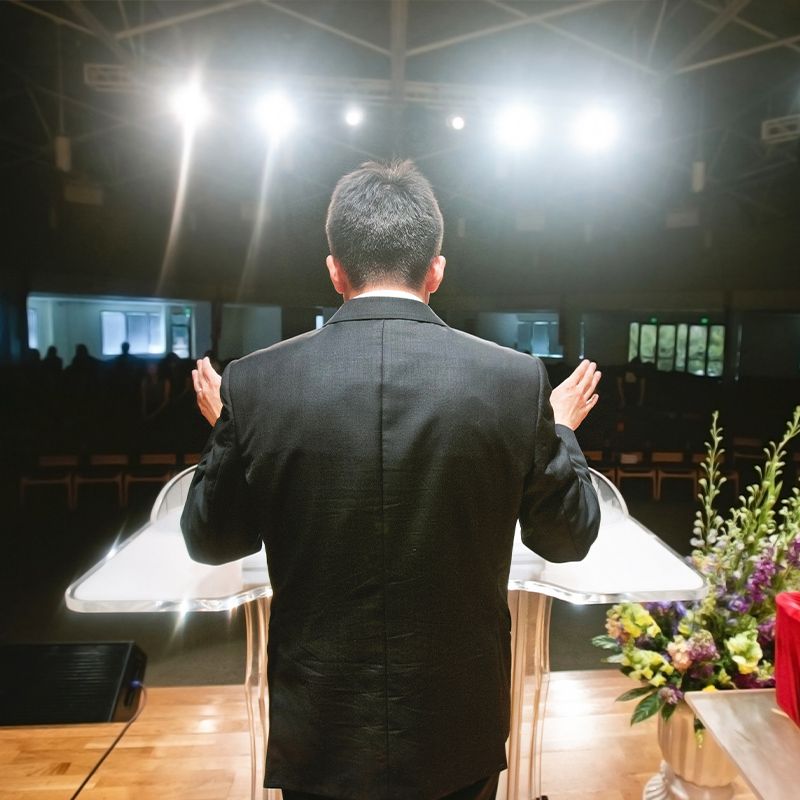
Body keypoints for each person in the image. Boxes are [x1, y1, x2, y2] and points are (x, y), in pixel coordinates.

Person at [181, 160, 601, 800]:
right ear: (436, 269)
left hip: (320, 721)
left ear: (334, 270)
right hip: (456, 721)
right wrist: (558, 427)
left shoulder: (257, 382)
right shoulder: (514, 382)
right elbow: (567, 536)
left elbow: (212, 538)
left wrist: (229, 429)